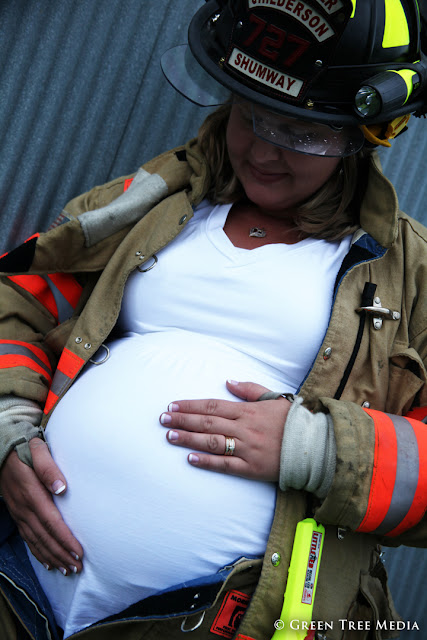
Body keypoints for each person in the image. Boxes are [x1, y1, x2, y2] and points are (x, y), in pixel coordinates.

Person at [0, 0, 426, 639]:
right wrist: (8, 425)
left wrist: (317, 450)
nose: (264, 150)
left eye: (302, 132)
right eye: (251, 115)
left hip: (225, 617)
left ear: (363, 135)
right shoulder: (155, 199)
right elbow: (20, 298)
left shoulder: (409, 273)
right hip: (19, 587)